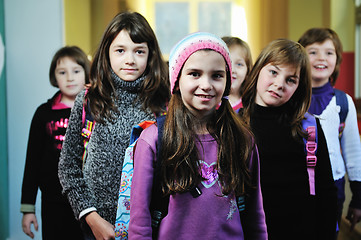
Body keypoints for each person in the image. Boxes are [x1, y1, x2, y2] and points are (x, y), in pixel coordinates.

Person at [129, 32, 267, 239]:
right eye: (194, 73)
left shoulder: (242, 139)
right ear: (177, 81)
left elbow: (255, 215)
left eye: (217, 75)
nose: (206, 85)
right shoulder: (154, 139)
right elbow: (140, 222)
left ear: (227, 82)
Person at [58, 11, 169, 240]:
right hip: (96, 228)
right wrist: (92, 218)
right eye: (120, 50)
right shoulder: (89, 100)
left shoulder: (164, 105)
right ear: (106, 53)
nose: (130, 59)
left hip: (150, 228)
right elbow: (68, 167)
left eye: (139, 51)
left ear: (150, 55)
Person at [241, 39, 337, 239]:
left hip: (301, 230)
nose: (279, 84)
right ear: (259, 69)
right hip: (248, 230)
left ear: (298, 87)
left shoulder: (309, 128)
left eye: (290, 80)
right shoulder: (234, 124)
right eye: (274, 72)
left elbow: (326, 192)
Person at [20, 46, 90, 239]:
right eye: (62, 72)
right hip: (54, 202)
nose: (70, 77)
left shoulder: (95, 110)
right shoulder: (44, 114)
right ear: (54, 76)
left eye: (76, 71)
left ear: (86, 73)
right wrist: (28, 208)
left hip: (90, 201)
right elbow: (32, 161)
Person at [298, 28, 361, 233]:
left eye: (329, 52)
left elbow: (353, 152)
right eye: (313, 51)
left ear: (337, 60)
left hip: (333, 186)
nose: (321, 58)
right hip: (296, 185)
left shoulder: (344, 102)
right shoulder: (289, 98)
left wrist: (358, 199)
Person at [222, 36, 253, 112]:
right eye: (226, 63)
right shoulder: (208, 104)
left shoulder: (250, 106)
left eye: (239, 64)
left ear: (247, 72)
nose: (232, 70)